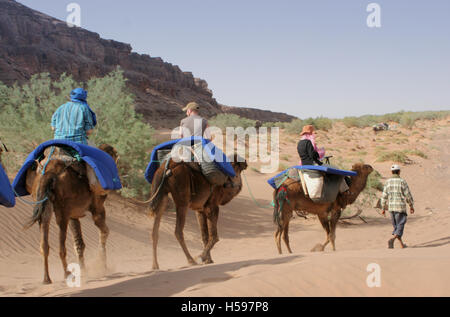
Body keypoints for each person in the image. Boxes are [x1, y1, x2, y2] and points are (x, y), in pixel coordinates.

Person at [381, 164, 415, 249]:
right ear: (399, 172)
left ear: (391, 172)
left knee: (396, 226)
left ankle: (401, 245)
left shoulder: (387, 182)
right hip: (400, 207)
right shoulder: (402, 181)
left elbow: (384, 196)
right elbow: (408, 195)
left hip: (391, 208)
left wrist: (383, 208)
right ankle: (392, 239)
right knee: (400, 224)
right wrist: (411, 205)